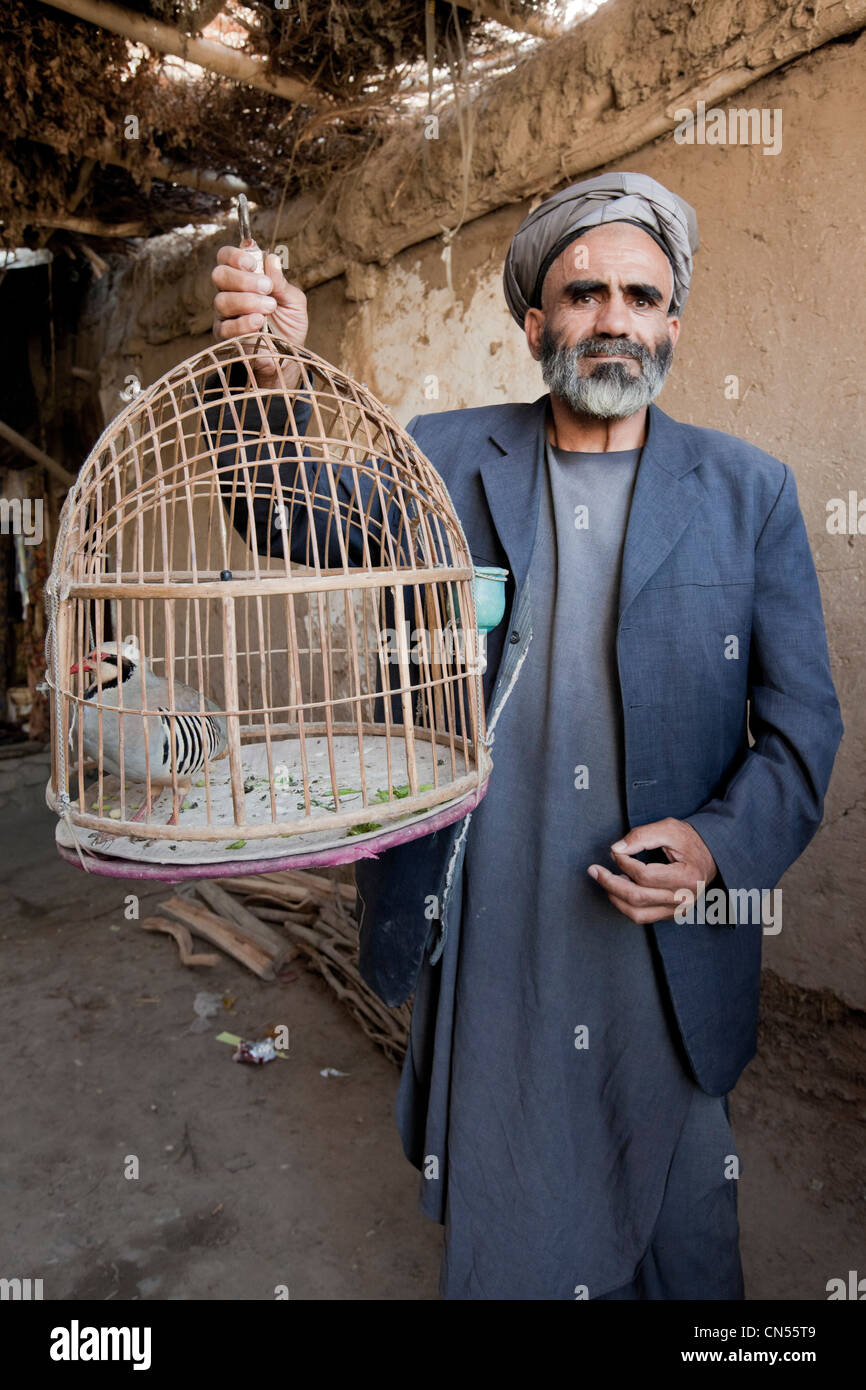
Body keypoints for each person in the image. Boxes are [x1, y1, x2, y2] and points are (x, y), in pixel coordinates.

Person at [211, 171, 843, 1300]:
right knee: (511, 1205)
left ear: (672, 323)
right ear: (534, 322)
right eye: (584, 292)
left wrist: (710, 849)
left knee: (687, 1224)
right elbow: (285, 508)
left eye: (641, 297)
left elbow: (800, 726)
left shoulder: (748, 493)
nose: (614, 319)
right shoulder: (444, 459)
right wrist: (268, 381)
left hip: (657, 932)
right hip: (494, 922)